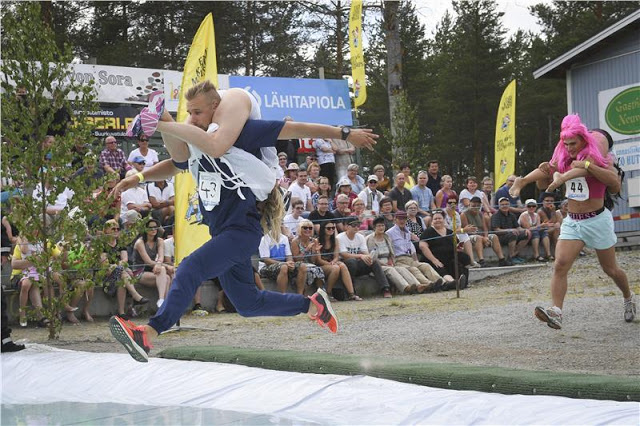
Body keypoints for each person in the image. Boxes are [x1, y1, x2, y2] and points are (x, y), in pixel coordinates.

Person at [109, 82, 377, 361]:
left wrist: (345, 134)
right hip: (222, 231)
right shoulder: (199, 139)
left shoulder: (241, 134)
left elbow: (297, 129)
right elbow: (178, 165)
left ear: (216, 108)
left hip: (241, 231)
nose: (193, 119)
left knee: (189, 267)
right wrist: (137, 178)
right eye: (189, 113)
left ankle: (148, 334)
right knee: (248, 303)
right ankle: (313, 306)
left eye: (198, 112)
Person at [533, 115, 634, 329]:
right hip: (573, 221)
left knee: (611, 270)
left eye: (573, 144)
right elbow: (543, 185)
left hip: (597, 220)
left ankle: (628, 297)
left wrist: (588, 165)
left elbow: (615, 185)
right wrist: (542, 173)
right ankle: (556, 311)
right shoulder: (565, 160)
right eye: (566, 144)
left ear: (583, 141)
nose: (569, 148)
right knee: (560, 265)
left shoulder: (600, 159)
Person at [99, 219, 149, 319]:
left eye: (118, 228)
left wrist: (117, 266)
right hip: (107, 278)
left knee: (122, 277)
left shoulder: (120, 243)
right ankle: (135, 296)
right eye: (113, 228)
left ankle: (121, 312)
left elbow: (125, 259)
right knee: (121, 271)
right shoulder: (101, 245)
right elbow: (105, 265)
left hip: (120, 275)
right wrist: (118, 265)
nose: (116, 230)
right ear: (106, 230)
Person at [366, 216, 429, 295]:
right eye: (379, 226)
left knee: (402, 269)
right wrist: (386, 264)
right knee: (391, 270)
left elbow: (391, 253)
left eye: (382, 225)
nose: (381, 227)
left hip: (389, 262)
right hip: (377, 265)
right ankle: (406, 287)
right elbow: (372, 257)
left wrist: (391, 261)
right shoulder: (370, 239)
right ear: (374, 227)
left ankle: (418, 285)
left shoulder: (387, 237)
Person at [386, 210, 443, 291]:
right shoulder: (389, 233)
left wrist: (415, 258)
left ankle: (443, 283)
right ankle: (429, 284)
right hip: (398, 260)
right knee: (414, 269)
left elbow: (410, 246)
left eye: (404, 219)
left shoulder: (407, 232)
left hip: (410, 258)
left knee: (425, 266)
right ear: (395, 220)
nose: (402, 221)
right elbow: (388, 247)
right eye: (400, 219)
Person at [337, 217, 392, 298]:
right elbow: (344, 254)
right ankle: (351, 292)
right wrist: (361, 256)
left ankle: (385, 288)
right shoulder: (340, 237)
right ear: (347, 227)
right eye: (354, 225)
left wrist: (369, 258)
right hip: (345, 264)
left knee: (374, 261)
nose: (356, 227)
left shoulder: (360, 237)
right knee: (351, 261)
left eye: (358, 225)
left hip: (358, 264)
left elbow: (365, 252)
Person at [418, 210, 469, 290]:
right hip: (434, 258)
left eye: (440, 218)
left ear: (444, 219)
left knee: (462, 259)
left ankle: (461, 280)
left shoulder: (450, 232)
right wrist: (434, 260)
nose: (438, 220)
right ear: (432, 220)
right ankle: (453, 282)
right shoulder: (428, 232)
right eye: (435, 219)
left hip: (448, 258)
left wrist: (459, 248)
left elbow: (457, 245)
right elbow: (423, 246)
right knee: (439, 267)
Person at [314, 220, 361, 301]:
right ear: (323, 229)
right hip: (321, 264)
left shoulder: (335, 240)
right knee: (336, 268)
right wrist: (331, 264)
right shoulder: (317, 241)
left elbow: (336, 256)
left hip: (332, 262)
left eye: (333, 228)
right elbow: (318, 260)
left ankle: (351, 293)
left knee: (342, 265)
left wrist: (334, 261)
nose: (331, 230)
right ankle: (327, 293)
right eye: (328, 228)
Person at [131, 218, 171, 308]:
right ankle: (163, 302)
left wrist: (159, 263)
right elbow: (147, 261)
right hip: (139, 271)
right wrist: (163, 265)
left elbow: (160, 257)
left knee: (167, 277)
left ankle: (163, 302)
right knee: (164, 272)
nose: (153, 230)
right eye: (151, 228)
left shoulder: (159, 241)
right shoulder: (140, 242)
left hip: (153, 269)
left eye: (155, 227)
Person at [461, 197, 509, 267]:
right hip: (470, 236)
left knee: (494, 236)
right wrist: (482, 237)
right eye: (473, 206)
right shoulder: (464, 214)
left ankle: (502, 259)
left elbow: (485, 228)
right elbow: (467, 230)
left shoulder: (480, 214)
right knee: (477, 238)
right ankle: (481, 261)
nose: (475, 208)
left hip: (481, 235)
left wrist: (486, 237)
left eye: (478, 206)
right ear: (469, 205)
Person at [290, 220, 326, 295]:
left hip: (310, 264)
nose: (308, 230)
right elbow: (296, 259)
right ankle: (302, 294)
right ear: (300, 229)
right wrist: (306, 250)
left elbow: (313, 261)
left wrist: (315, 252)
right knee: (309, 269)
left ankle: (320, 294)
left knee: (317, 269)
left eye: (310, 228)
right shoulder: (295, 241)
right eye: (305, 228)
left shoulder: (313, 241)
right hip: (298, 264)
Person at [491, 197, 531, 264]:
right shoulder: (496, 216)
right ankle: (511, 257)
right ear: (499, 206)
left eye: (506, 204)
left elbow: (518, 227)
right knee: (513, 235)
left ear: (509, 205)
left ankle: (514, 254)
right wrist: (509, 230)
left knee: (526, 234)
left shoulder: (512, 215)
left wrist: (525, 230)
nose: (504, 206)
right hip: (500, 236)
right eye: (502, 204)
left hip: (512, 234)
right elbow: (496, 230)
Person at [537, 192, 562, 257]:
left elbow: (558, 222)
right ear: (543, 202)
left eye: (551, 201)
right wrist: (553, 211)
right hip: (542, 230)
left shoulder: (556, 211)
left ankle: (558, 252)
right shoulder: (540, 211)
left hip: (552, 230)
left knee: (557, 229)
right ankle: (556, 253)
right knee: (556, 230)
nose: (549, 202)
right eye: (547, 201)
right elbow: (549, 223)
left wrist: (557, 223)